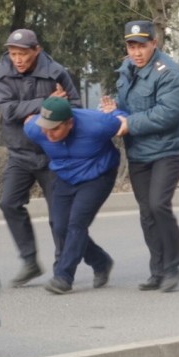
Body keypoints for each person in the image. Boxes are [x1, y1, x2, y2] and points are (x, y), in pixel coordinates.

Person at [101, 20, 179, 292]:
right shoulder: (127, 69)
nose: (136, 52)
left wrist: (129, 124)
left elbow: (168, 114)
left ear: (154, 43)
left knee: (158, 204)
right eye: (131, 46)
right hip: (138, 151)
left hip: (168, 150)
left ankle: (173, 266)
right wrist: (115, 110)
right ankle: (157, 270)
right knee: (146, 212)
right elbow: (131, 105)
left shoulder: (169, 73)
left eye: (142, 46)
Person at [0, 28, 81, 287]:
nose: (17, 59)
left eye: (23, 54)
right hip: (19, 152)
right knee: (8, 203)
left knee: (59, 217)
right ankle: (29, 261)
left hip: (53, 154)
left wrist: (49, 112)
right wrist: (45, 103)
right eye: (13, 54)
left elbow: (74, 106)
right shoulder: (1, 73)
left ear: (36, 50)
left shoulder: (56, 72)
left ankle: (62, 269)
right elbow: (8, 111)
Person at [23, 97, 125, 294]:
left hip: (98, 175)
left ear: (69, 123)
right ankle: (101, 261)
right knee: (59, 226)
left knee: (77, 223)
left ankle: (64, 276)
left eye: (54, 129)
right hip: (65, 176)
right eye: (45, 128)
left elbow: (122, 121)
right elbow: (29, 122)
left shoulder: (97, 124)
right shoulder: (34, 129)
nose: (48, 134)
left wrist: (114, 111)